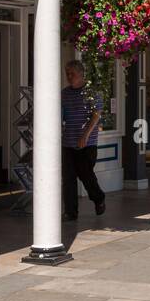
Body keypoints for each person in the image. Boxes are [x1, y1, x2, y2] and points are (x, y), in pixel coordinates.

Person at [61, 60, 106, 221]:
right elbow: (60, 114)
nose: (69, 76)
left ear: (81, 73)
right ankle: (70, 212)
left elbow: (96, 115)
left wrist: (85, 136)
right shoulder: (64, 93)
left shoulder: (91, 92)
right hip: (68, 142)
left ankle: (98, 198)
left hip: (87, 143)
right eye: (67, 73)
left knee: (85, 175)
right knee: (68, 178)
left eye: (72, 73)